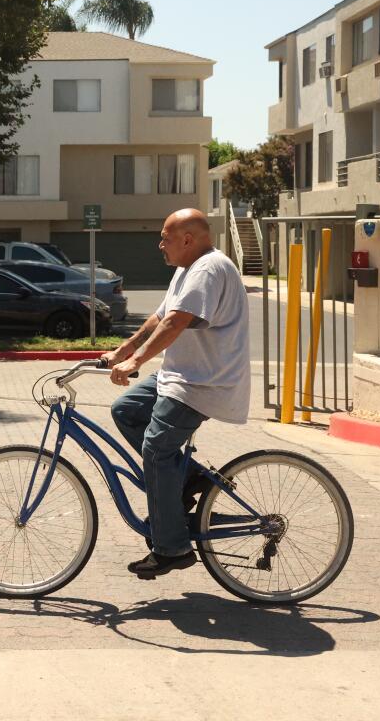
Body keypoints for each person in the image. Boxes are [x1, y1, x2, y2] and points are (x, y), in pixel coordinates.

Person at [102, 208, 250, 579]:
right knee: (127, 410)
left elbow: (176, 322)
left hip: (203, 383)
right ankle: (188, 481)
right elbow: (159, 317)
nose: (159, 245)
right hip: (180, 376)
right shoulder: (187, 269)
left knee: (155, 448)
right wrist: (123, 351)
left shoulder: (208, 268)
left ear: (187, 239)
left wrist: (135, 361)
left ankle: (173, 547)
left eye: (165, 238)